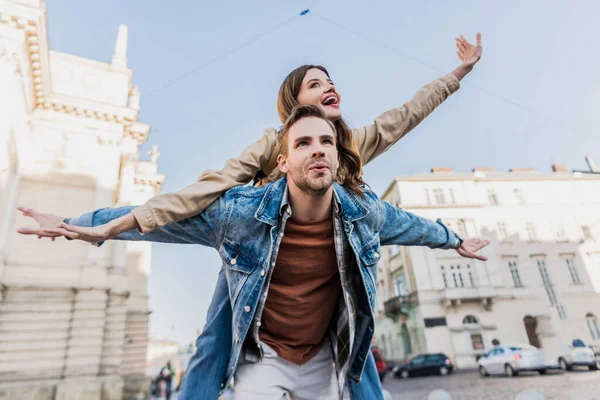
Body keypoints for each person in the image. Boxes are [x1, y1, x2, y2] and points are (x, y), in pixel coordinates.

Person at [20, 34, 483, 398]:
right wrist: (101, 226)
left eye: (331, 80)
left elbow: (407, 116)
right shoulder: (271, 145)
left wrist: (457, 72)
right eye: (316, 84)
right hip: (253, 247)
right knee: (213, 342)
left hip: (329, 245)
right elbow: (207, 192)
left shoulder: (354, 148)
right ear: (291, 117)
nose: (331, 87)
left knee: (355, 334)